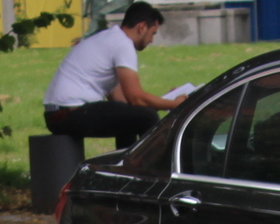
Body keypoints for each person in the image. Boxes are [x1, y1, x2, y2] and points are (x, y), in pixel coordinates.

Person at [42, 3, 184, 146]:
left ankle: (127, 165)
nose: (151, 40)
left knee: (129, 116)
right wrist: (173, 104)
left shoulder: (109, 39)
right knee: (148, 117)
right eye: (153, 33)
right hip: (69, 113)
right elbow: (135, 98)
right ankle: (151, 165)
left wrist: (164, 101)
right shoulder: (123, 45)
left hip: (57, 114)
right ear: (141, 27)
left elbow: (124, 102)